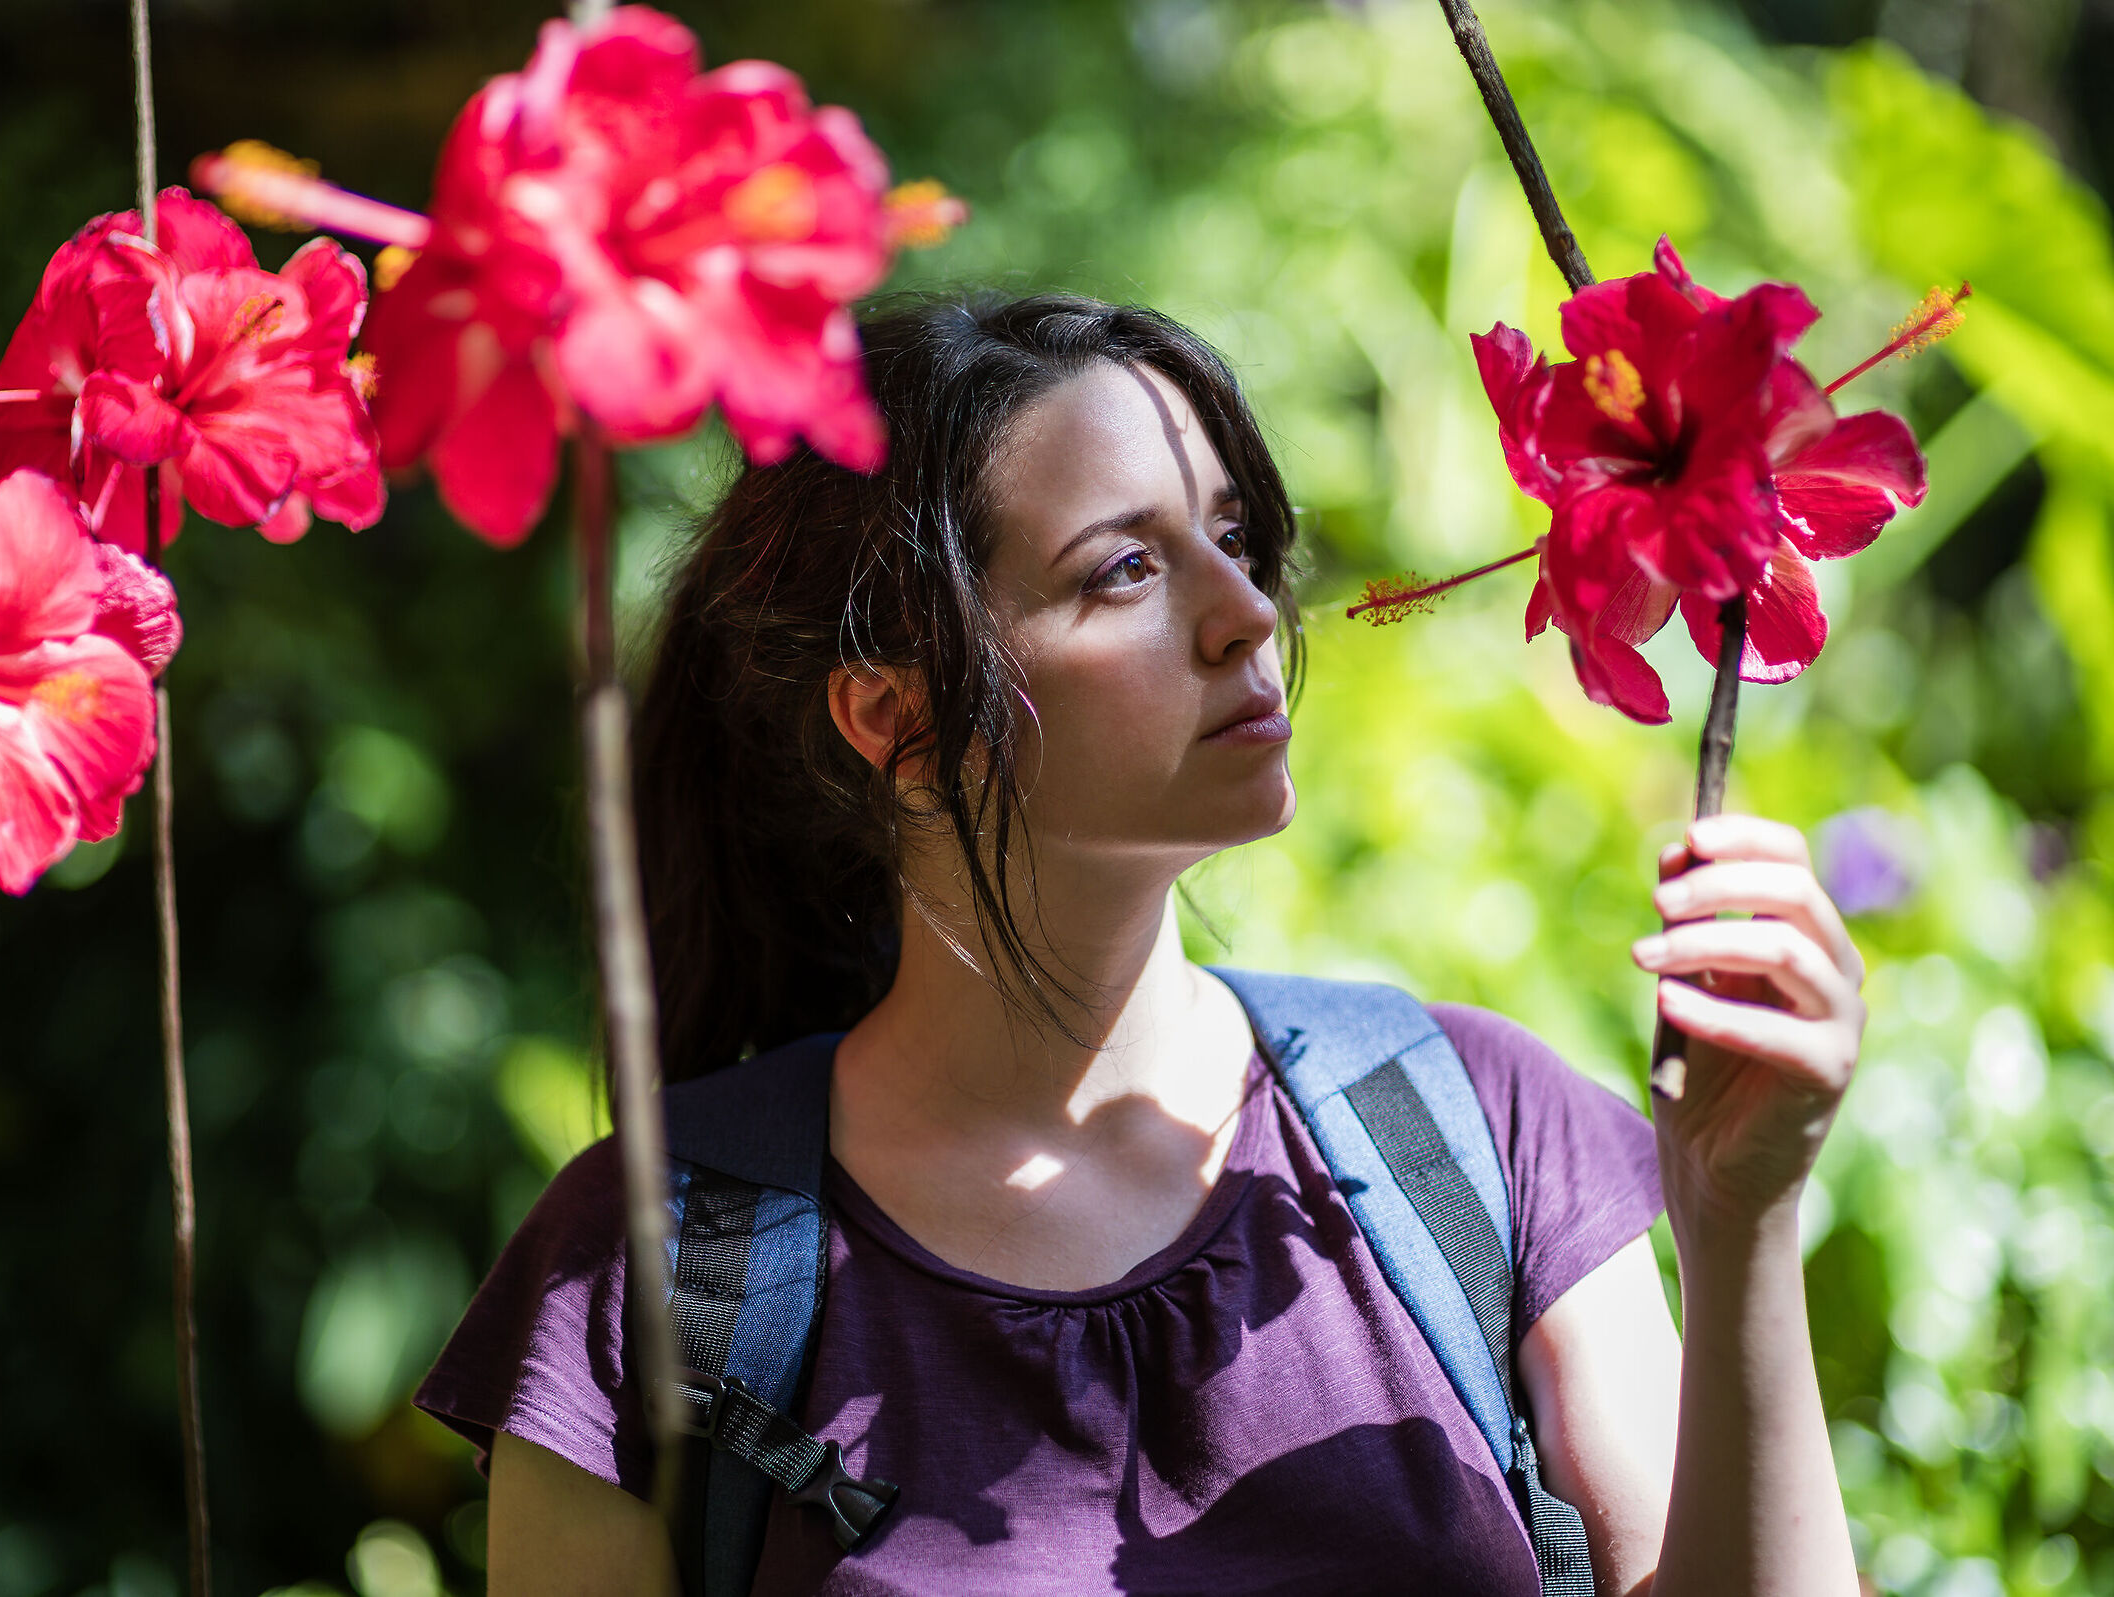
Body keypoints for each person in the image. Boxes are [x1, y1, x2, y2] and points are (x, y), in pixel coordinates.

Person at [415, 294, 1868, 1596]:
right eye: (1124, 570)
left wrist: (1744, 1226)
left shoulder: (1472, 1133)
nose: (1247, 615)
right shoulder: (645, 1266)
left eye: (1232, 540)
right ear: (897, 720)